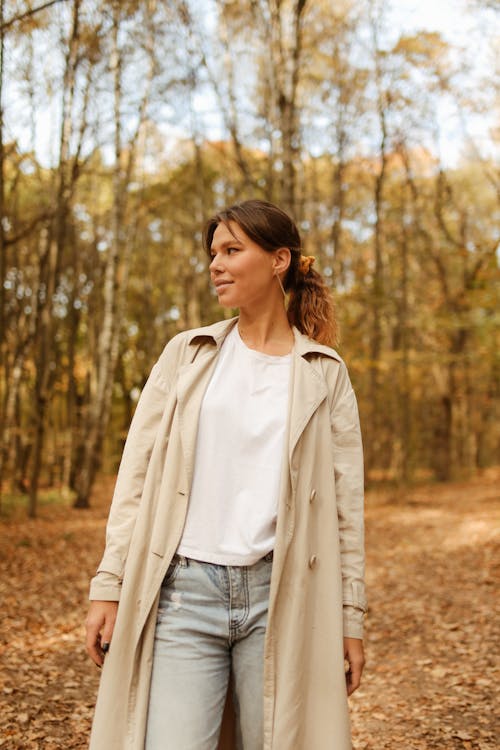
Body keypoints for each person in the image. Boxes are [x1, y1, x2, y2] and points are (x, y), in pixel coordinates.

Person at [85, 199, 366, 750]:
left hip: (282, 596)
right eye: (213, 252)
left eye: (232, 250)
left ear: (279, 259)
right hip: (183, 595)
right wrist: (109, 585)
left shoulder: (324, 374)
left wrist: (350, 618)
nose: (215, 264)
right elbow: (135, 477)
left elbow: (345, 511)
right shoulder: (187, 355)